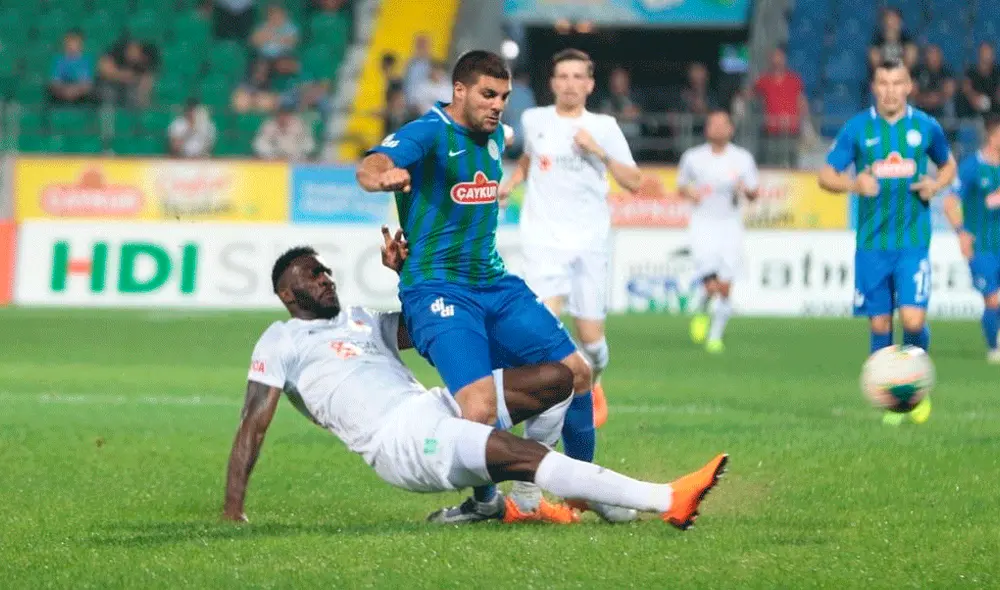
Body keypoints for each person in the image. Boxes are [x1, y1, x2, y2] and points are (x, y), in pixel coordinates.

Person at [220, 244, 728, 528]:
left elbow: (424, 327)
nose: (327, 277)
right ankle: (665, 498)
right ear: (289, 293)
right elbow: (252, 426)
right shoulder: (281, 339)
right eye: (314, 275)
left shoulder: (358, 319)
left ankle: (519, 499)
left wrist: (408, 274)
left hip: (430, 406)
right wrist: (232, 510)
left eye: (326, 270)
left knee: (561, 376)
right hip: (401, 443)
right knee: (517, 452)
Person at [356, 50, 613, 524]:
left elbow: (516, 139)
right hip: (438, 291)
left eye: (504, 97)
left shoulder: (498, 133)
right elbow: (372, 163)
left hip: (494, 283)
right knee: (475, 408)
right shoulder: (430, 131)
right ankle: (484, 502)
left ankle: (586, 484)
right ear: (459, 91)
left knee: (578, 373)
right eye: (488, 95)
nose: (498, 105)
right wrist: (383, 177)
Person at [501, 48, 642, 435]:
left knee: (591, 341)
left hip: (590, 242)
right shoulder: (534, 119)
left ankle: (593, 382)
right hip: (543, 239)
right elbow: (530, 157)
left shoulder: (605, 126)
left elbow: (633, 182)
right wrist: (512, 181)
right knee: (544, 329)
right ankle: (549, 406)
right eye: (563, 76)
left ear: (590, 84)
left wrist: (597, 150)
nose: (570, 84)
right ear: (552, 82)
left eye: (578, 77)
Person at [818, 58, 957, 426]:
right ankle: (888, 398)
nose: (891, 90)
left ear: (909, 86)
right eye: (883, 83)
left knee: (912, 318)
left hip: (912, 243)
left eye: (898, 83)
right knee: (880, 326)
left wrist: (936, 185)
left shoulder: (925, 127)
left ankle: (916, 388)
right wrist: (853, 185)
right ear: (874, 87)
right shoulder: (857, 129)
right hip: (871, 245)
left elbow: (948, 165)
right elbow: (826, 175)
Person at [677, 110, 759, 354]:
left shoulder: (742, 159)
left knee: (725, 285)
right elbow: (682, 185)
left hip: (730, 225)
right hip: (703, 224)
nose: (719, 129)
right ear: (707, 129)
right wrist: (691, 193)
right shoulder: (693, 157)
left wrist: (745, 190)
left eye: (724, 124)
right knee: (710, 285)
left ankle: (715, 336)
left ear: (731, 129)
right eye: (714, 124)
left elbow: (754, 194)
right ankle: (703, 308)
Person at [943, 115, 1000, 363]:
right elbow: (949, 202)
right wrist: (961, 233)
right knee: (993, 298)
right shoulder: (971, 166)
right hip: (981, 245)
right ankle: (994, 347)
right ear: (992, 135)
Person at [750, 46, 807, 167]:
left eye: (779, 57)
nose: (777, 60)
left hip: (791, 127)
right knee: (769, 160)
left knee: (792, 160)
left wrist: (803, 121)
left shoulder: (794, 79)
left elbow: (801, 101)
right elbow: (750, 95)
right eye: (774, 57)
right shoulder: (763, 80)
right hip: (771, 128)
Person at [97, 37, 159, 108]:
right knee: (108, 94)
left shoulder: (143, 62)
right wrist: (125, 76)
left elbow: (146, 82)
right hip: (108, 86)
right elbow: (105, 71)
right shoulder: (116, 51)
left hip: (127, 91)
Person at [48, 29, 94, 105]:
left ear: (80, 44)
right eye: (70, 42)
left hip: (81, 96)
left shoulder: (86, 61)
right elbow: (54, 82)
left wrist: (74, 91)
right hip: (61, 94)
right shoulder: (58, 61)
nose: (72, 45)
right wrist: (65, 91)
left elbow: (87, 83)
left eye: (75, 42)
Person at [912, 45, 955, 120]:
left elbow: (949, 91)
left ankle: (949, 128)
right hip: (921, 103)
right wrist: (926, 99)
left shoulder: (946, 71)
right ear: (926, 56)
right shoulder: (918, 70)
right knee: (910, 101)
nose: (933, 58)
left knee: (949, 103)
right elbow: (912, 90)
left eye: (936, 55)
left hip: (940, 103)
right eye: (931, 54)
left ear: (940, 57)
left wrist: (938, 98)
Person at [960, 42, 1000, 117]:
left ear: (993, 55)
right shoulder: (970, 72)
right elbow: (967, 89)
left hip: (995, 113)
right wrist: (973, 97)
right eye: (984, 52)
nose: (986, 56)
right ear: (979, 54)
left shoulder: (997, 72)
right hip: (972, 114)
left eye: (988, 53)